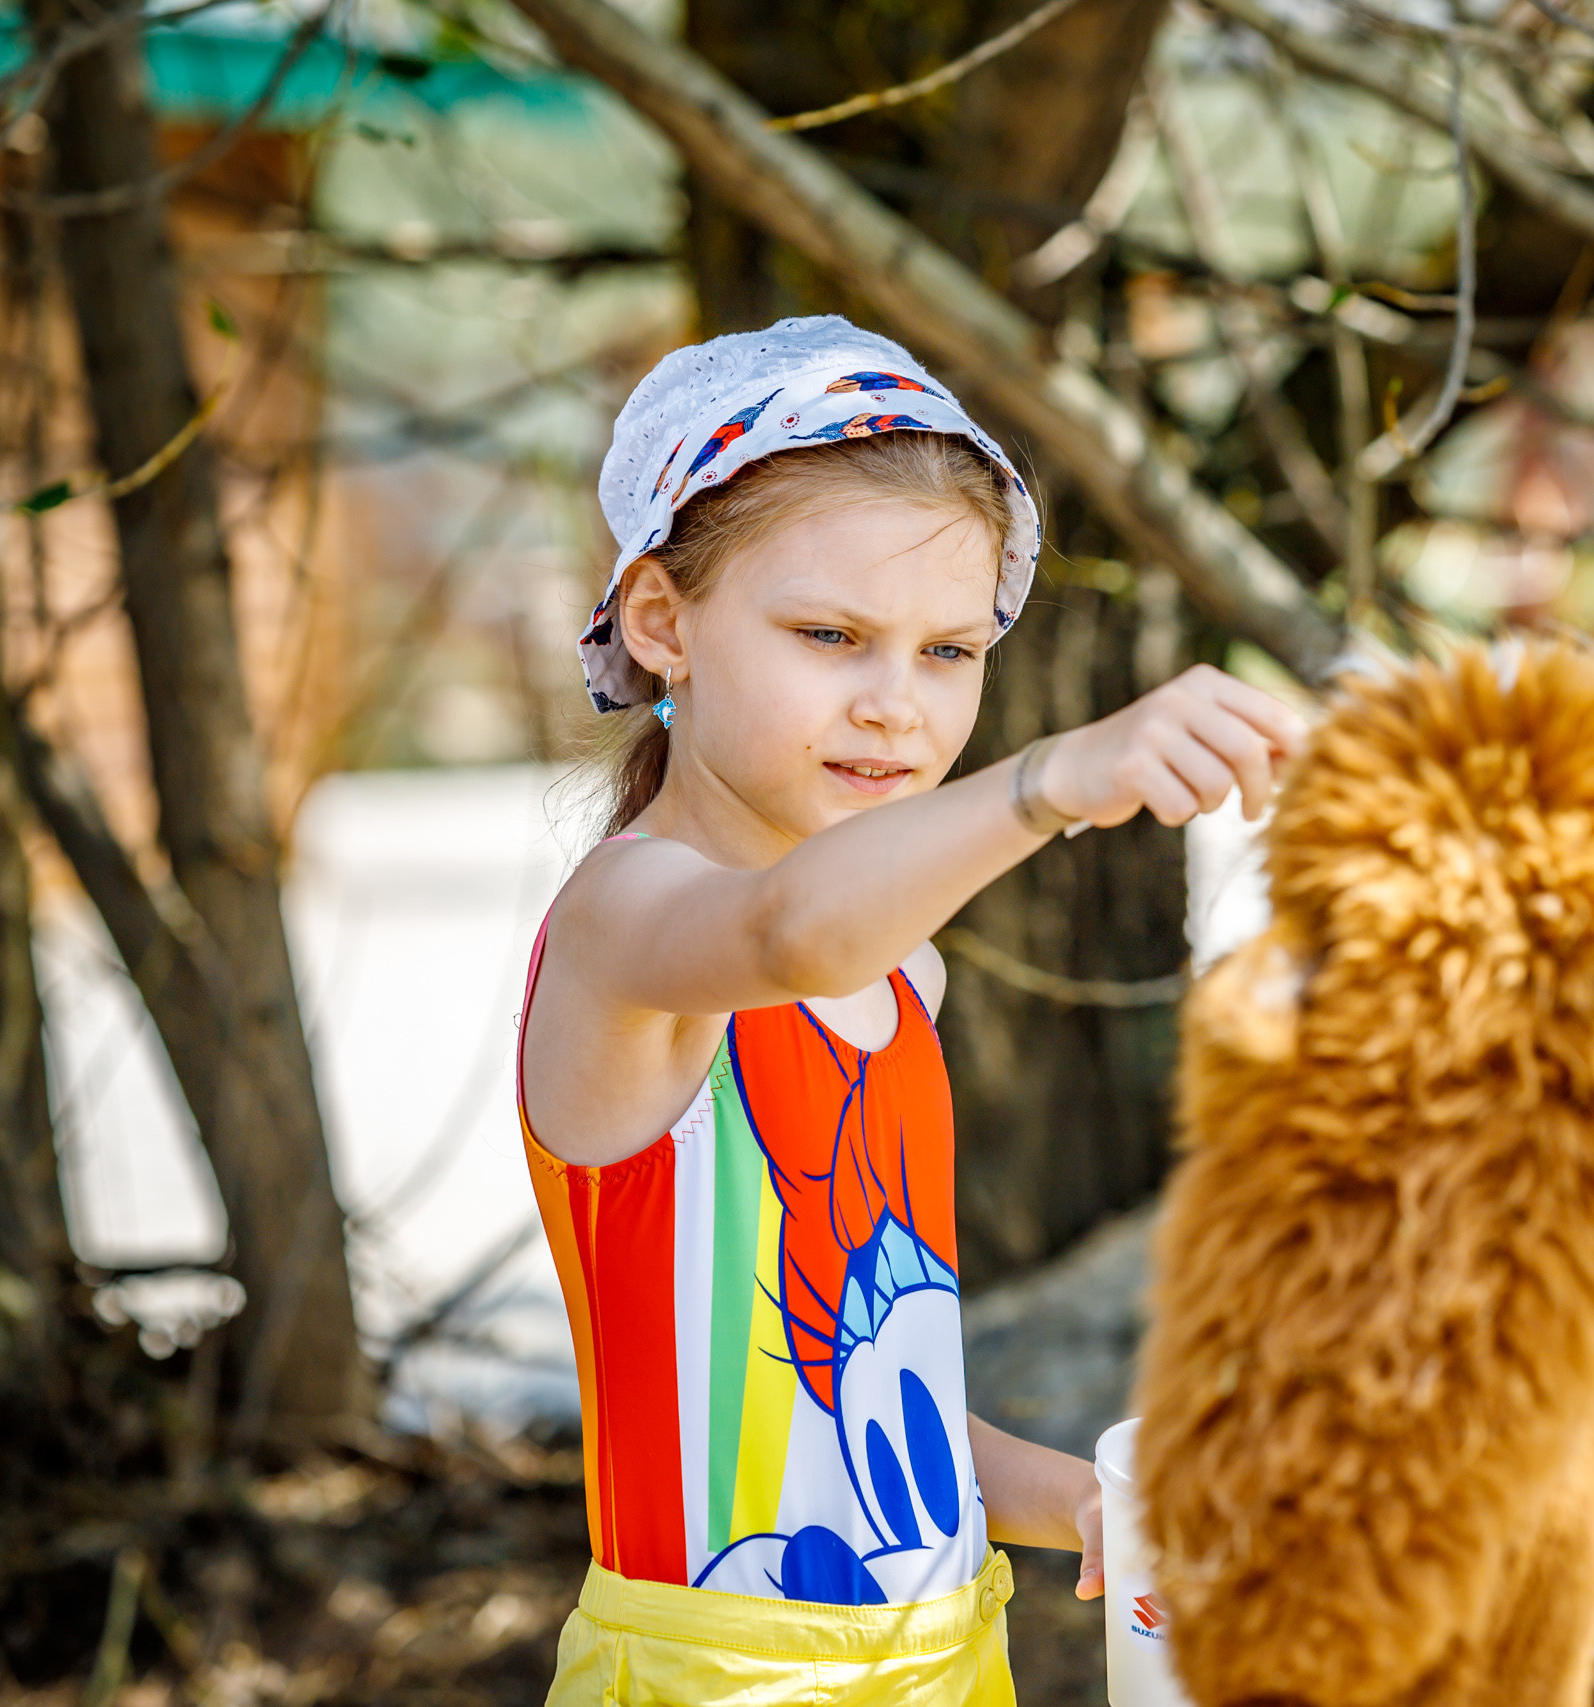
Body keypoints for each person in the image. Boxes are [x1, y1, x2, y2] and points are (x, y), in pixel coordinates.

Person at [515, 316, 1304, 1705]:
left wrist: (1083, 1501)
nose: (897, 706)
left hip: (944, 1666)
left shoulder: (898, 979)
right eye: (831, 636)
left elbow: (873, 1409)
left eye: (949, 650)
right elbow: (788, 930)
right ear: (662, 624)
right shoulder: (626, 925)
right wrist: (1052, 781)